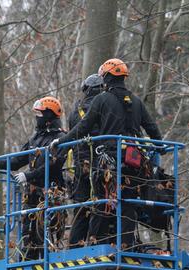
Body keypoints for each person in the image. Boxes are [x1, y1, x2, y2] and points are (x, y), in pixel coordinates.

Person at [50, 58, 162, 249]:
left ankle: (99, 244)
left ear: (107, 77)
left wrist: (60, 142)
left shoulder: (102, 99)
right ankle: (126, 243)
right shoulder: (135, 101)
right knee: (128, 201)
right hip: (134, 159)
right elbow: (154, 133)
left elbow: (83, 127)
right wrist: (158, 149)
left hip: (108, 159)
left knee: (103, 201)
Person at [0, 97, 67, 260]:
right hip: (33, 196)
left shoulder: (61, 138)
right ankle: (26, 263)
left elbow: (54, 165)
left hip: (51, 193)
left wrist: (28, 175)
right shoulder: (35, 139)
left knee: (46, 234)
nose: (37, 118)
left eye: (40, 114)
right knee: (28, 235)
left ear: (49, 116)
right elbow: (16, 162)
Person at [67, 74, 103, 249]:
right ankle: (97, 242)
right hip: (101, 164)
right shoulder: (103, 106)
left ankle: (75, 246)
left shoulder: (76, 110)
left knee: (81, 208)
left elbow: (72, 133)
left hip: (81, 166)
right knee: (102, 205)